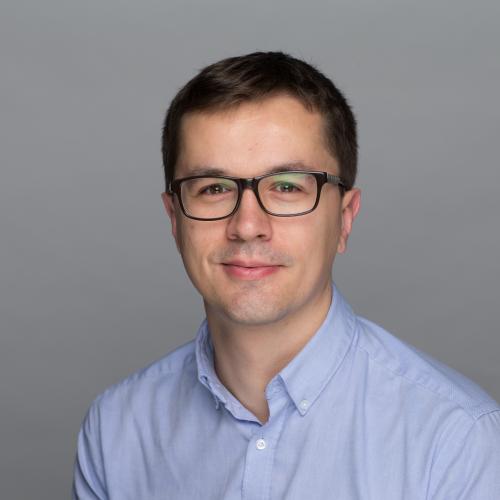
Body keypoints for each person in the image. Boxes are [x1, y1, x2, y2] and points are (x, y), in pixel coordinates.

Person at [72, 51, 500, 499]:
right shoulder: (115, 431)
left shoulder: (457, 442)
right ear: (174, 219)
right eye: (214, 189)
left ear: (345, 218)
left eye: (287, 187)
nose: (247, 225)